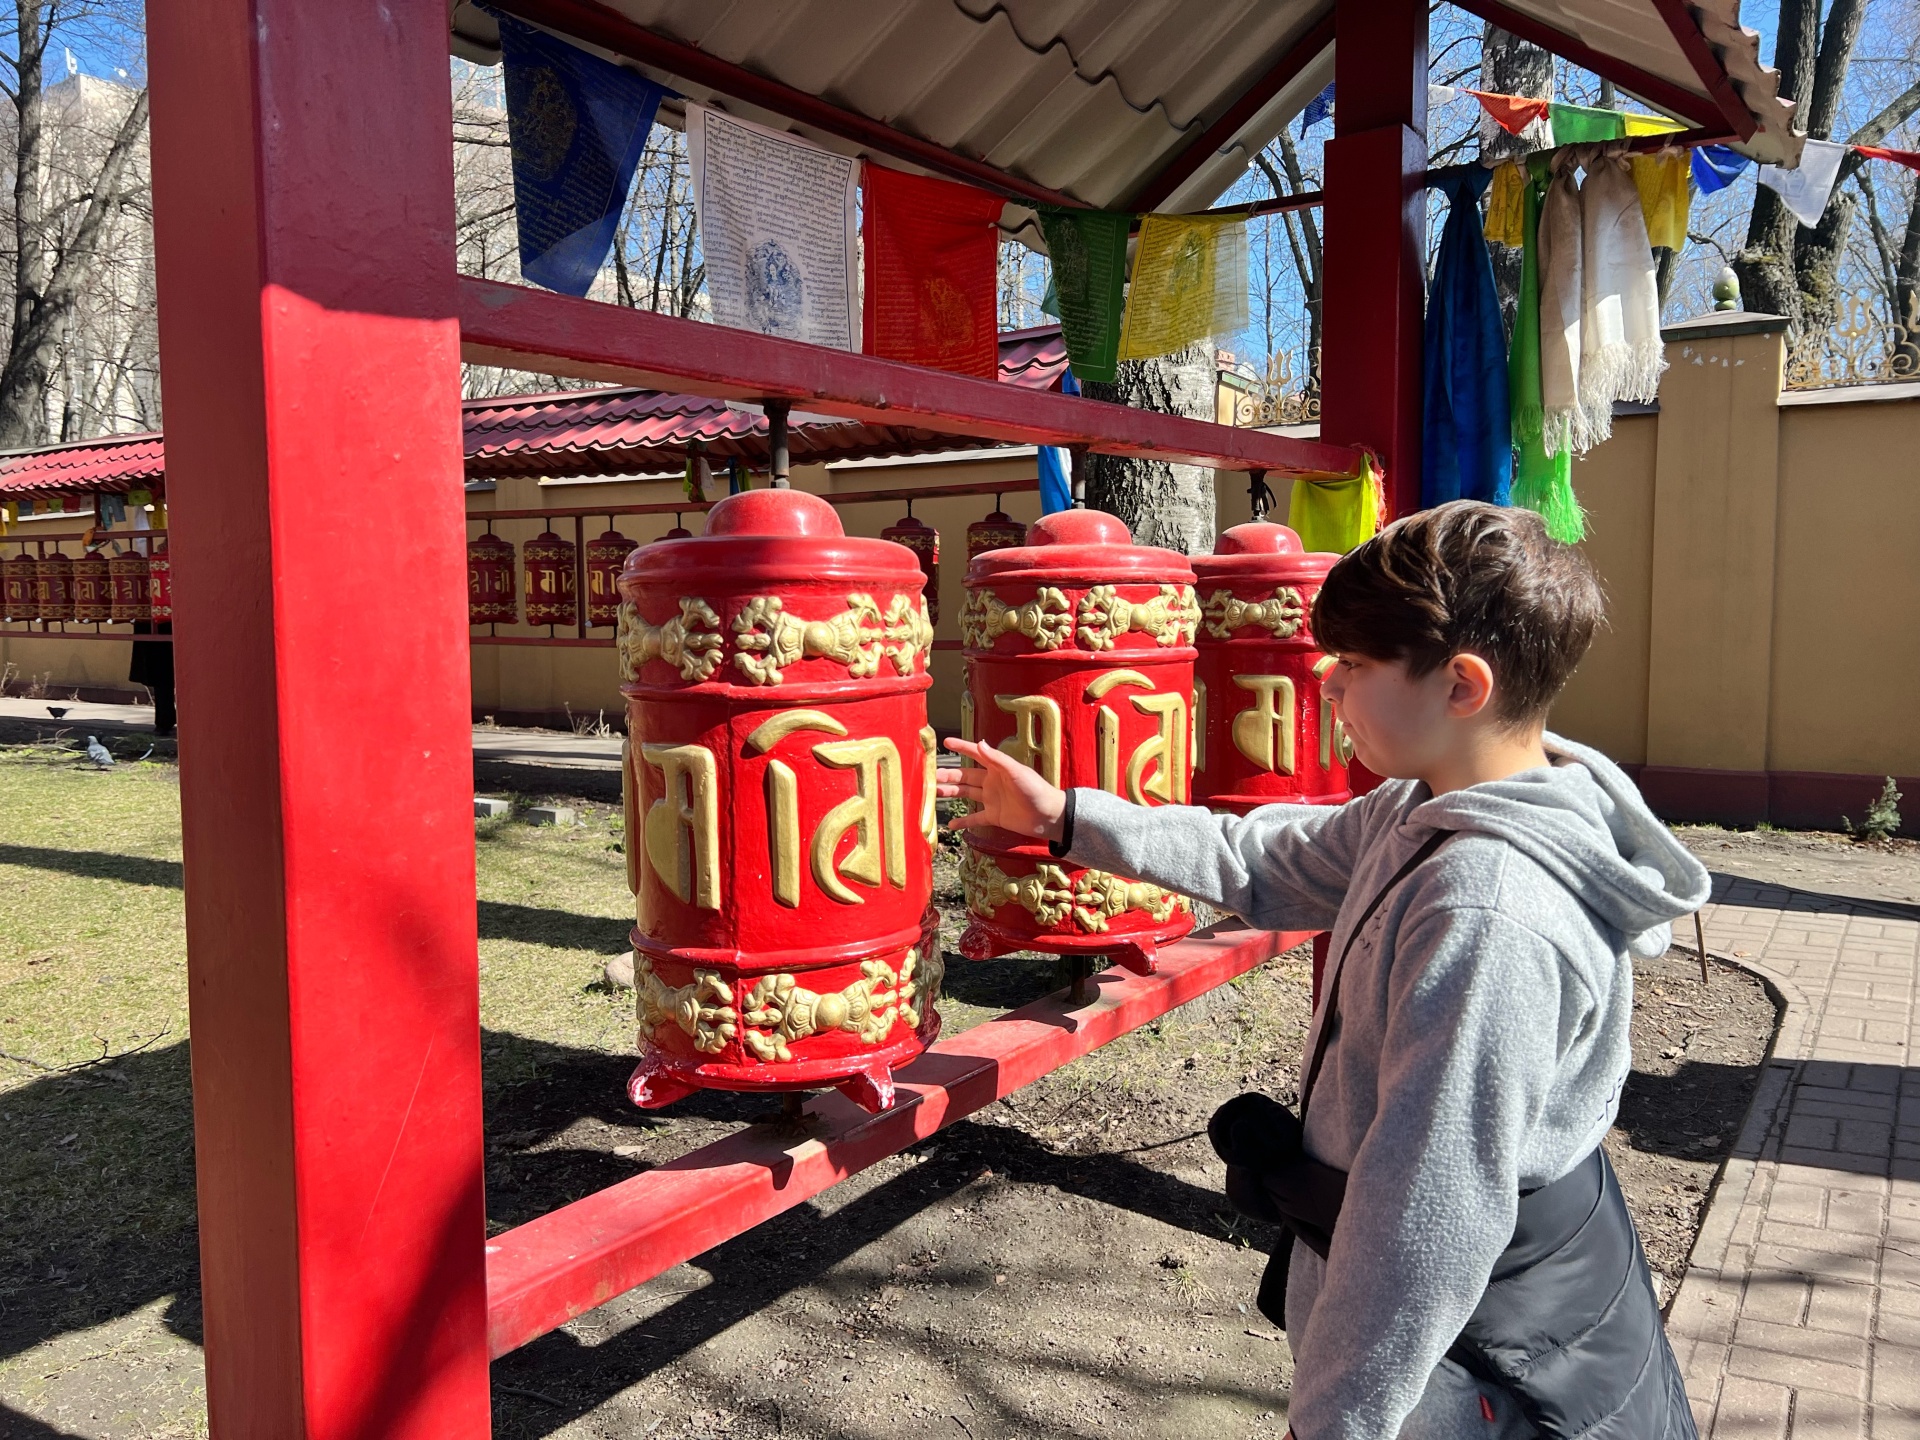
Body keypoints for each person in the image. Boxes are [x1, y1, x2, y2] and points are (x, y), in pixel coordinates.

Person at [937, 501, 1709, 1439]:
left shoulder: (1488, 914)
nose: (1326, 684)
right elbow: (1265, 858)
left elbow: (1428, 1223)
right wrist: (1065, 816)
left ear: (1462, 684)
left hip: (1481, 1344)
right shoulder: (1424, 808)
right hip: (1487, 1308)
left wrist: (1336, 1423)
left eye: (1353, 665)